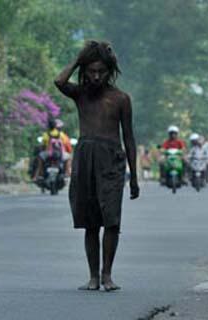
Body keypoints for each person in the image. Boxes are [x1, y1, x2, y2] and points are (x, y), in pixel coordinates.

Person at [54, 40, 139, 292]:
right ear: (84, 70)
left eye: (101, 71)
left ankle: (107, 275)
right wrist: (79, 59)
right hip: (85, 159)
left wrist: (134, 177)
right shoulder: (80, 94)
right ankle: (92, 277)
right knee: (90, 222)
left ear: (109, 71)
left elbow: (130, 139)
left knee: (111, 220)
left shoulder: (121, 99)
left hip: (111, 161)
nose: (96, 76)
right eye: (91, 71)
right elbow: (59, 82)